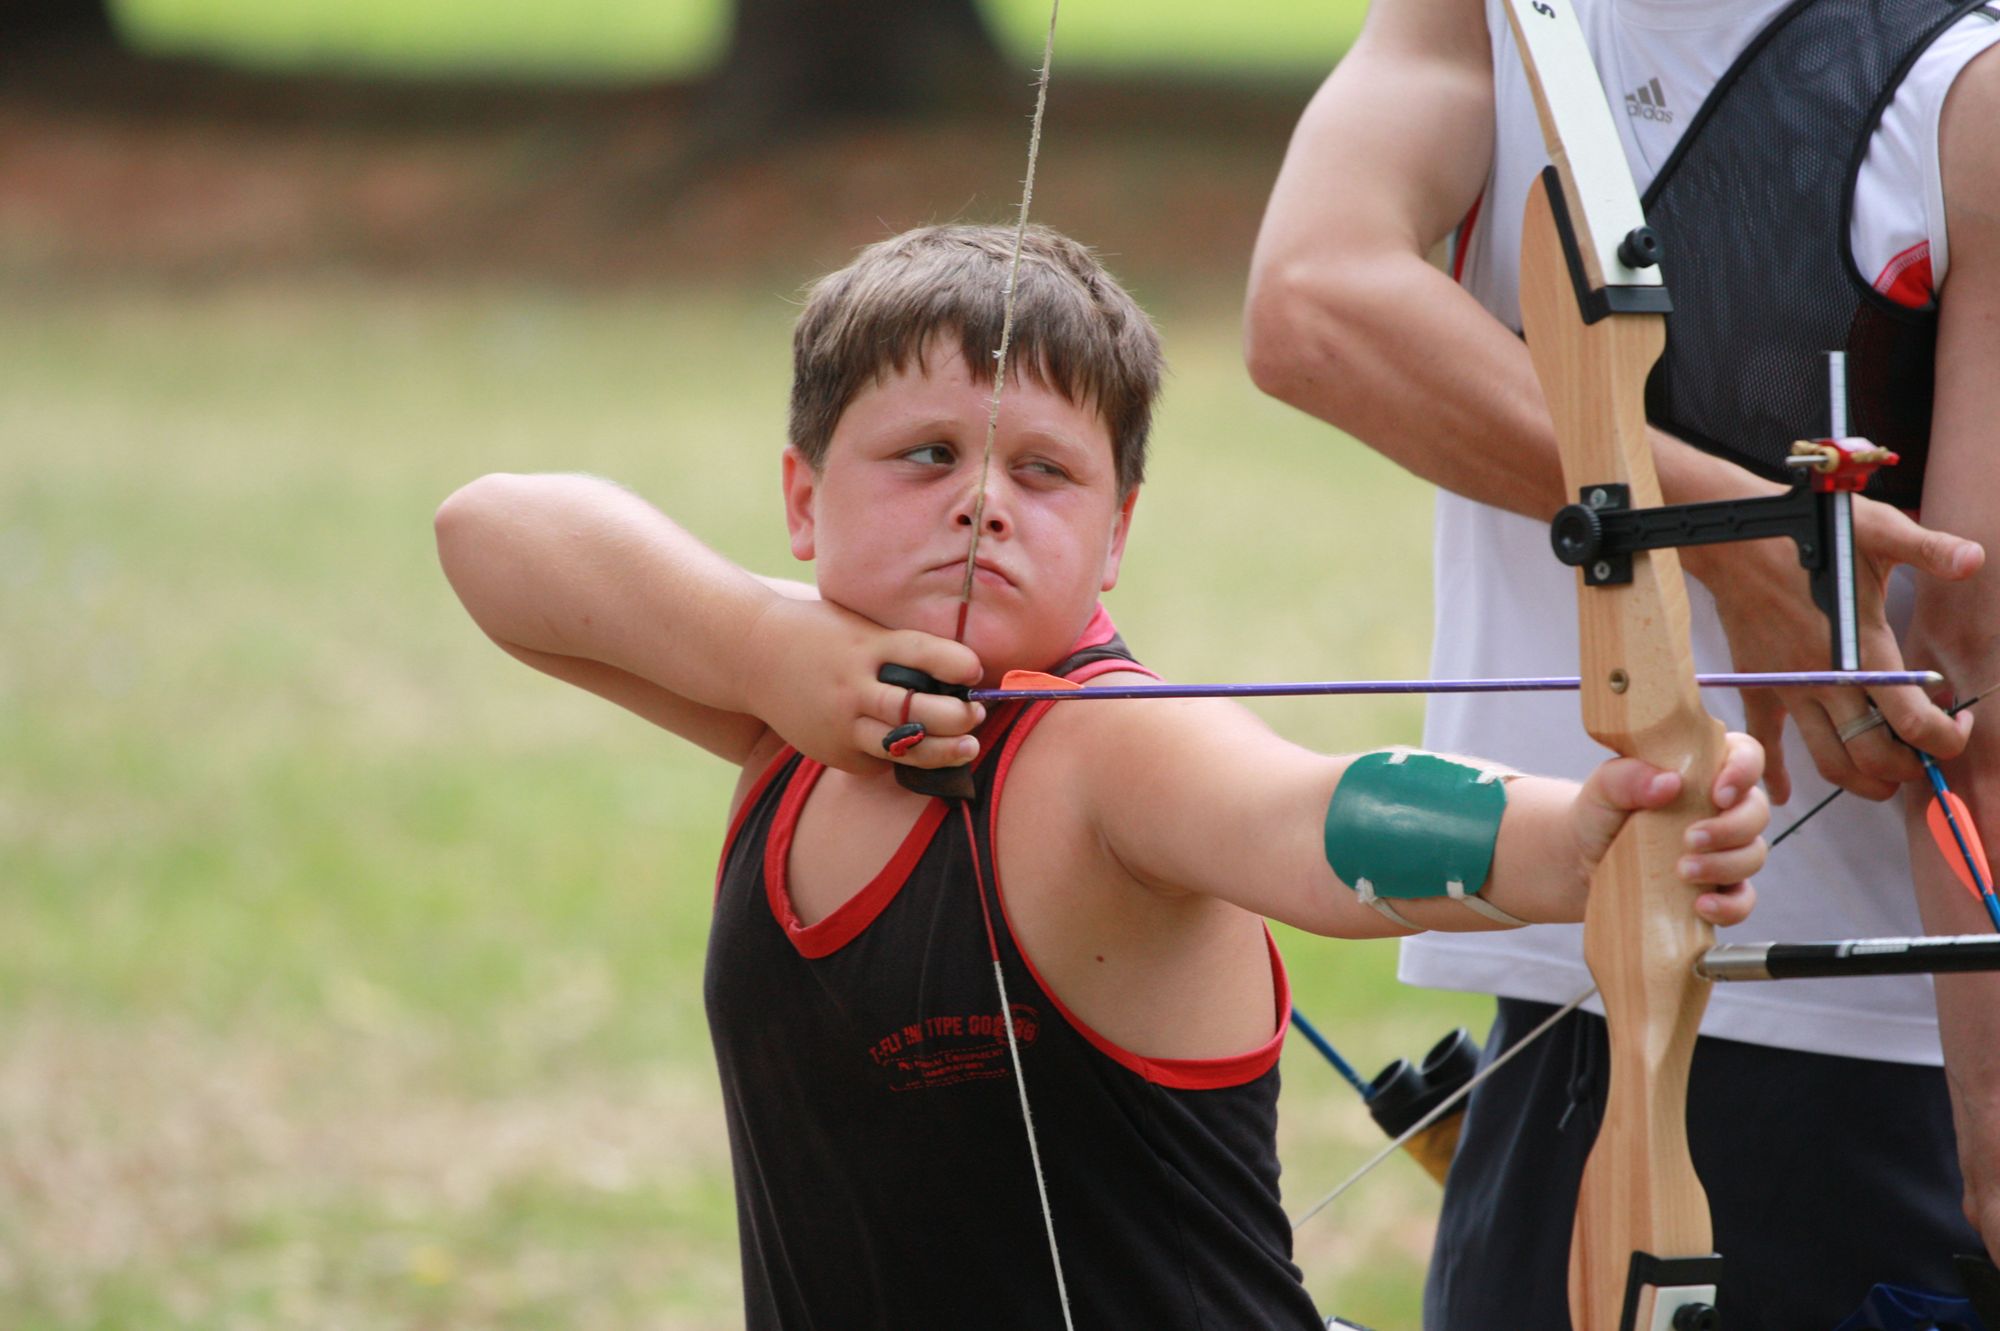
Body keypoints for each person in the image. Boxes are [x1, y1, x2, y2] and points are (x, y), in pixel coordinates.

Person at [434, 222, 1769, 1329]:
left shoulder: (1107, 750)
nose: (982, 501)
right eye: (925, 455)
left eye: (1045, 470)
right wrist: (764, 640)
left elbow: (1308, 815)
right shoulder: (798, 719)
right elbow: (487, 534)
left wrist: (1573, 841)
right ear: (802, 498)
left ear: (1117, 531)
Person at [1245, 0, 2000, 1325]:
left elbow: (1974, 661)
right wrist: (1742, 544)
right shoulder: (1485, 18)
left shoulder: (1964, 81)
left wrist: (1994, 1133)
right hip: (1568, 994)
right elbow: (1313, 304)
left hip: (1877, 1053)